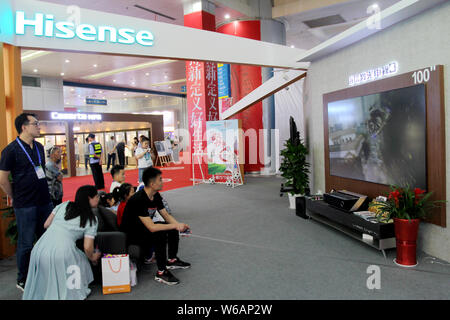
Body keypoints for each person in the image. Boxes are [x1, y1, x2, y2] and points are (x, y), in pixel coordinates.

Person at [0, 113, 54, 291]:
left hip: (44, 201)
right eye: (35, 123)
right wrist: (14, 196)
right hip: (25, 204)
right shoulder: (11, 150)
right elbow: (3, 179)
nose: (39, 126)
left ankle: (45, 271)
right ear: (24, 127)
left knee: (46, 238)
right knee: (26, 242)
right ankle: (22, 278)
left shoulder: (39, 147)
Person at [22, 185, 101, 300]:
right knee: (82, 259)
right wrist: (93, 257)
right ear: (89, 198)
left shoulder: (64, 205)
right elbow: (88, 247)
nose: (98, 199)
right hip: (63, 250)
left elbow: (46, 224)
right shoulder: (91, 219)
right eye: (96, 196)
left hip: (40, 247)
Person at [120, 167, 191, 286]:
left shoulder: (156, 195)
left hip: (144, 227)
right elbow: (152, 228)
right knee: (160, 234)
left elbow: (166, 215)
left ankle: (172, 260)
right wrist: (175, 226)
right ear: (152, 184)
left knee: (171, 227)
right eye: (160, 179)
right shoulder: (139, 199)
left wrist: (178, 226)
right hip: (132, 233)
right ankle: (161, 272)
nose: (162, 182)